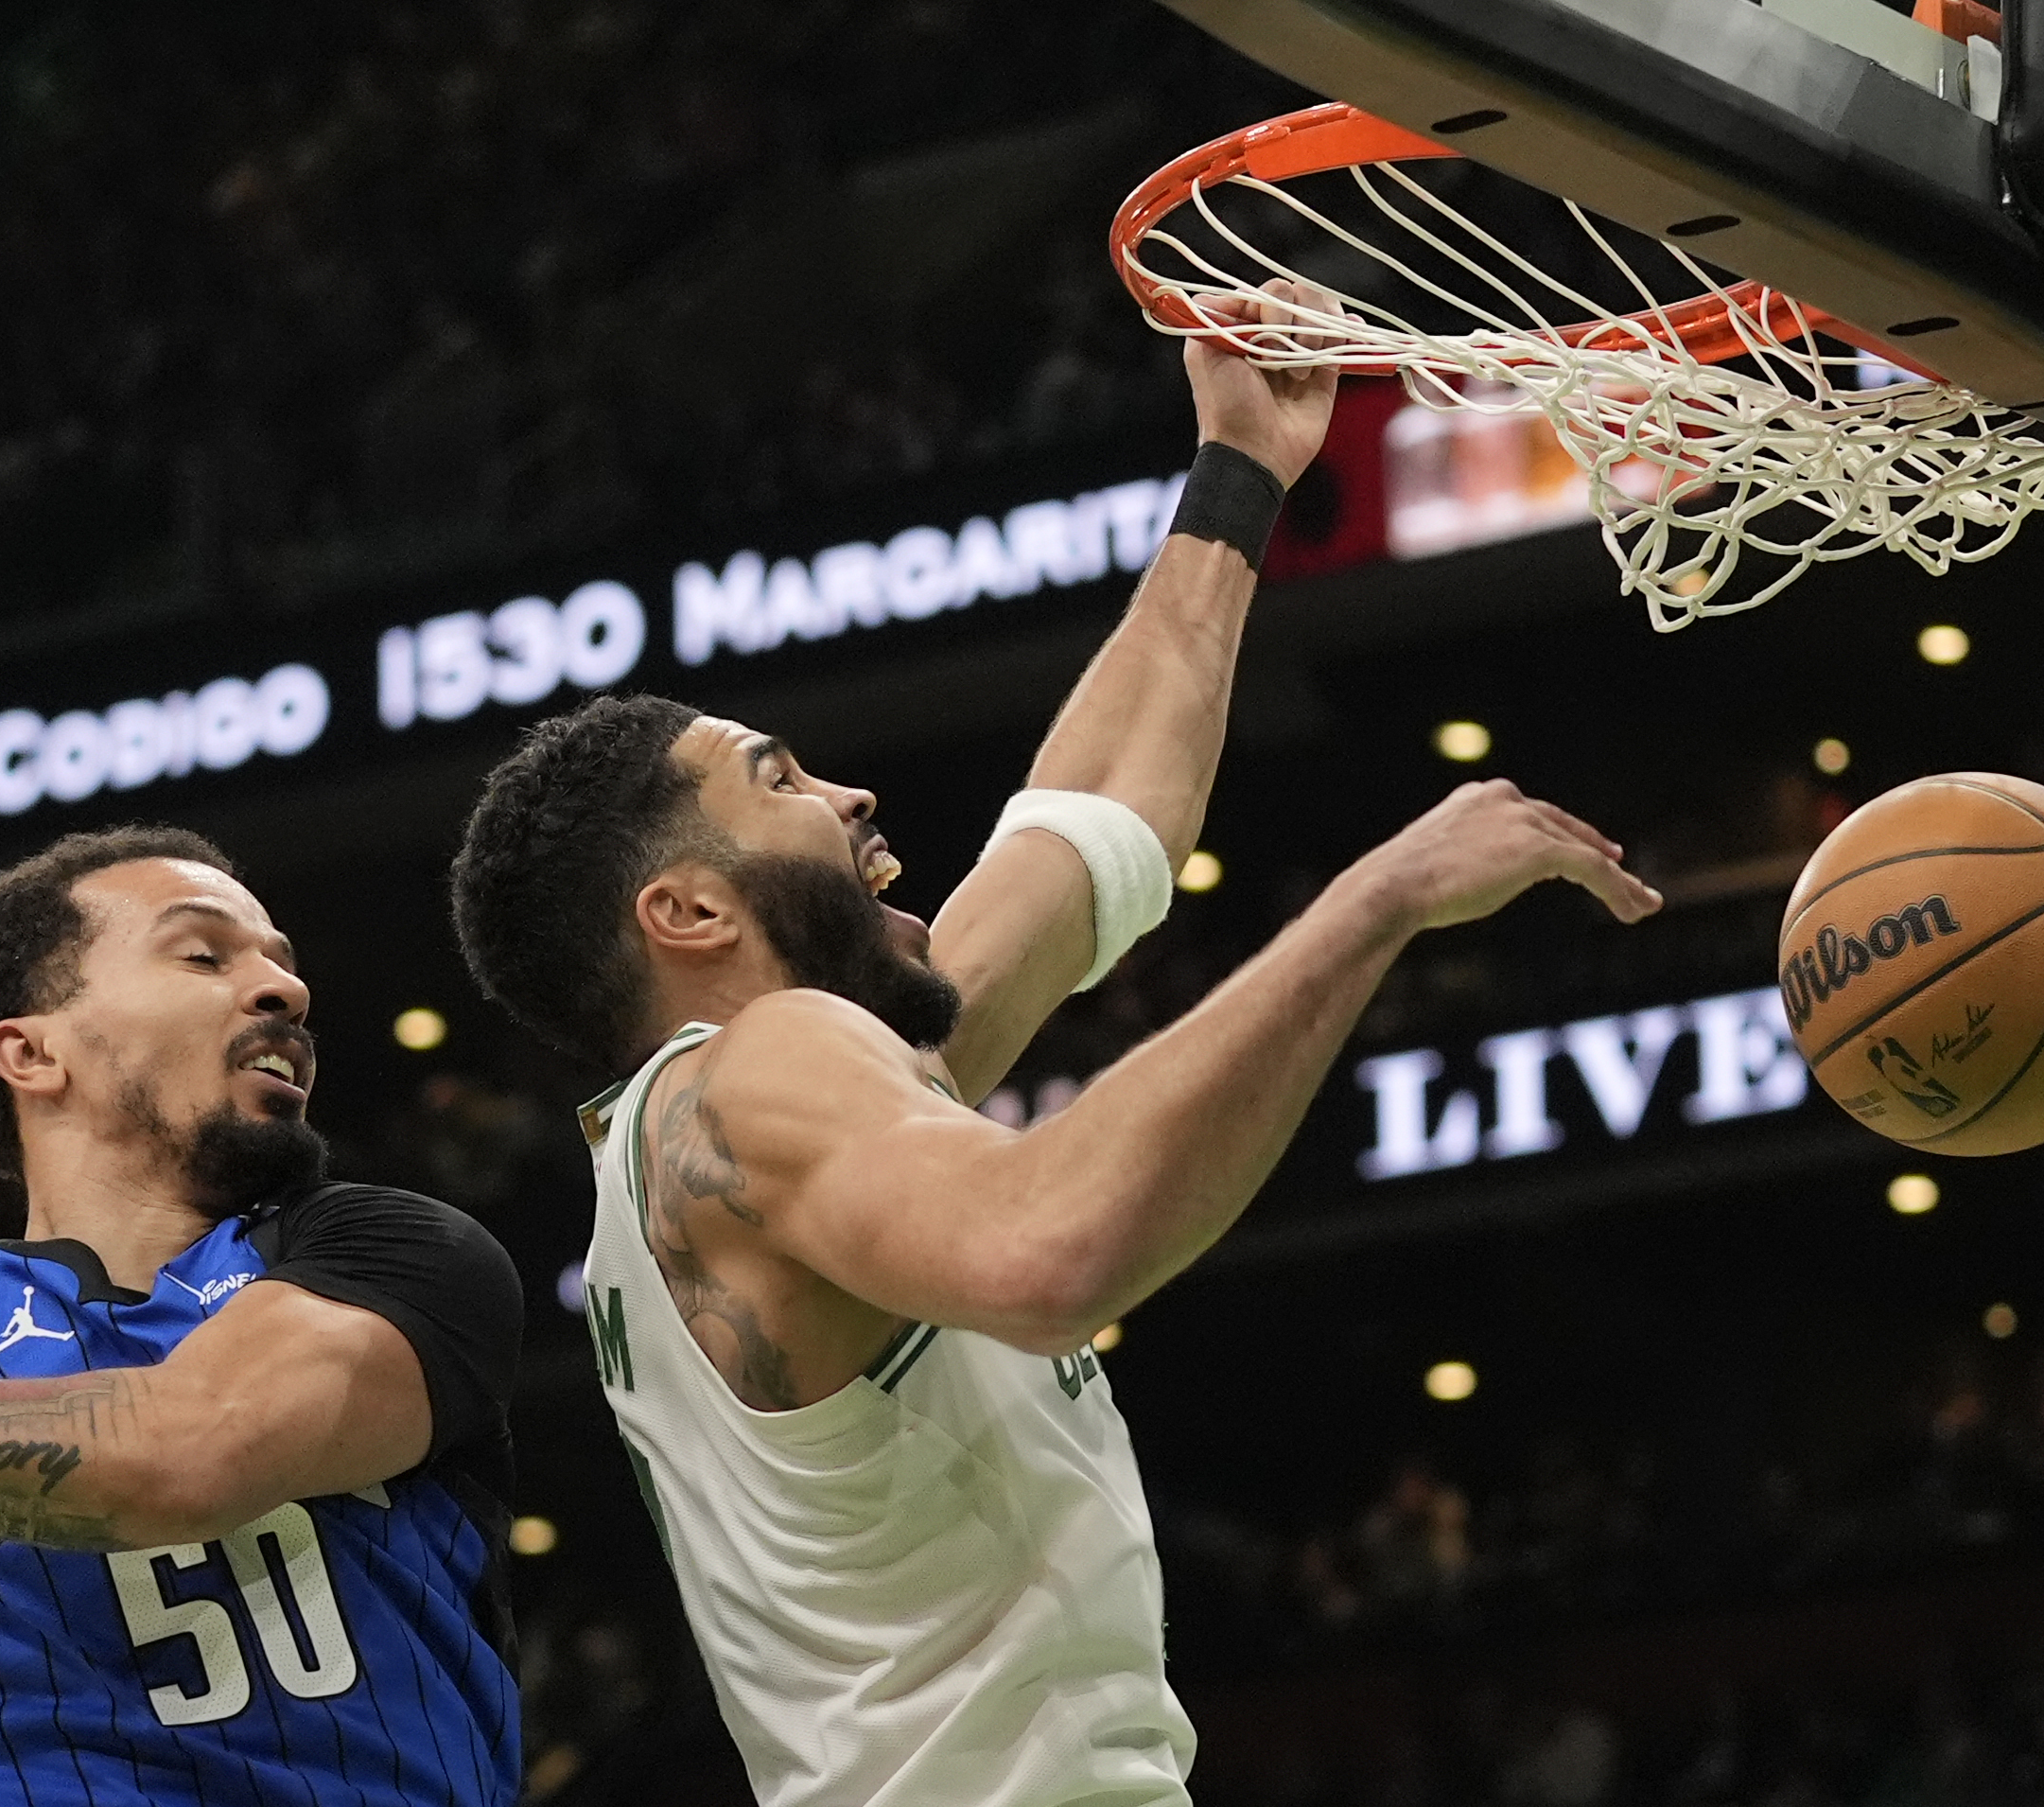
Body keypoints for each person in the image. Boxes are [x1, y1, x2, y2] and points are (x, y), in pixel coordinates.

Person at [448, 285, 1663, 1806]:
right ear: (688, 907)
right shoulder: (764, 1074)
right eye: (781, 778)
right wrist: (1378, 901)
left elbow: (1097, 826)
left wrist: (1237, 477)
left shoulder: (749, 1124)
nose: (851, 797)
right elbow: (1044, 1251)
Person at [0, 827, 525, 1806]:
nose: (283, 990)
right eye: (204, 954)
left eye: (282, 964)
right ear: (33, 1050)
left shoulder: (399, 1254)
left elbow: (188, 1450)